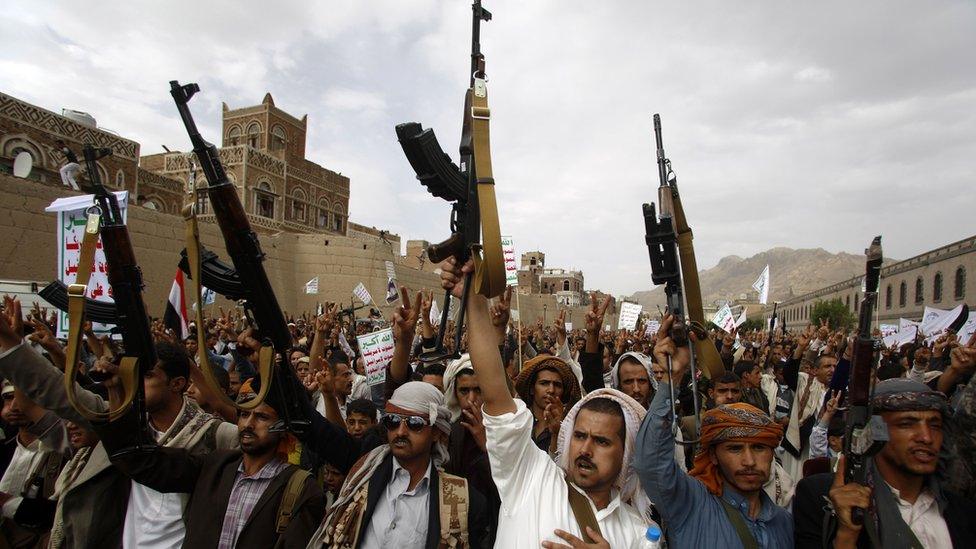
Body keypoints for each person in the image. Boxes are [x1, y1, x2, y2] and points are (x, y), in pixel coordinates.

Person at [0, 298, 239, 548]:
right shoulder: (118, 423)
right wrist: (13, 345)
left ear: (177, 384)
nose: (134, 384)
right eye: (132, 376)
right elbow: (57, 391)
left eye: (146, 376)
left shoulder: (218, 436)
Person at [442, 258, 647, 548]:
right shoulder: (531, 475)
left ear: (626, 451)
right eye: (579, 436)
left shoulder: (639, 534)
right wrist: (474, 302)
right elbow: (496, 391)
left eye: (601, 441)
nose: (585, 450)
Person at [94, 380, 324, 549]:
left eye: (262, 417)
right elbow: (148, 464)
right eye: (244, 415)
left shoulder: (301, 488)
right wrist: (116, 391)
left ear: (283, 428)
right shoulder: (216, 465)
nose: (248, 424)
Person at [635, 315, 792, 548]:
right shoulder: (690, 504)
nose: (749, 461)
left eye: (759, 447)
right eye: (735, 448)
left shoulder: (785, 523)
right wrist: (672, 378)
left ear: (772, 453)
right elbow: (651, 464)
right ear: (715, 456)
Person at [793, 378, 976, 548]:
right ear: (873, 432)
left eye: (934, 425)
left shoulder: (963, 512)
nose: (926, 437)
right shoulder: (822, 497)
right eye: (906, 424)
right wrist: (846, 535)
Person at [308, 381, 489, 548]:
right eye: (392, 421)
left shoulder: (463, 500)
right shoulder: (364, 472)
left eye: (414, 423)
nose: (400, 432)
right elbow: (313, 427)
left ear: (436, 432)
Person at [513, 355, 581, 453]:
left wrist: (557, 433)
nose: (551, 390)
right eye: (544, 383)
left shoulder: (571, 429)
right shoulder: (518, 420)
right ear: (532, 389)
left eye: (557, 385)